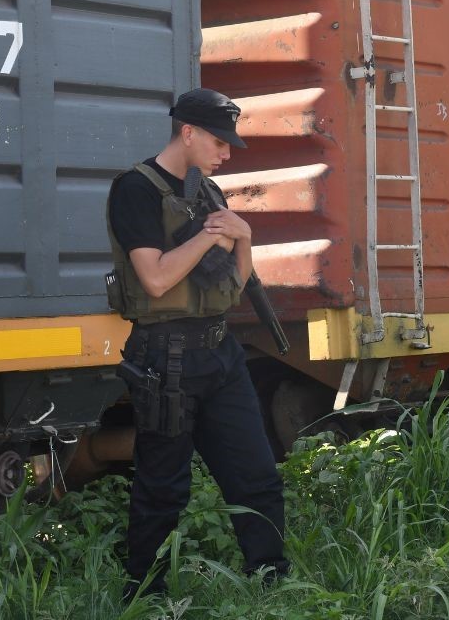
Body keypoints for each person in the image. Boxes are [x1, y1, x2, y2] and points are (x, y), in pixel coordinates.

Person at [106, 88, 289, 600]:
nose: (226, 154)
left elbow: (231, 287)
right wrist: (211, 235)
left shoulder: (209, 193)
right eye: (219, 141)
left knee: (256, 474)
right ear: (187, 132)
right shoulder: (135, 191)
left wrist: (245, 237)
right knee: (162, 488)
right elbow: (157, 280)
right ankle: (145, 594)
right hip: (165, 359)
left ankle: (271, 579)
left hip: (219, 352)